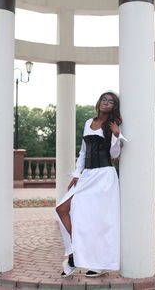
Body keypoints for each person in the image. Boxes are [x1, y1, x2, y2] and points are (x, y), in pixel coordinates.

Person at [56, 91, 127, 278]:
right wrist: (77, 174)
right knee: (62, 209)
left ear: (114, 107)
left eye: (110, 101)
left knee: (99, 221)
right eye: (104, 99)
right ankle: (73, 255)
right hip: (87, 175)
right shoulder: (89, 122)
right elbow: (83, 151)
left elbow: (114, 154)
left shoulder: (113, 125)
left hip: (104, 176)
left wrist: (116, 135)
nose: (106, 102)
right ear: (99, 102)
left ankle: (98, 264)